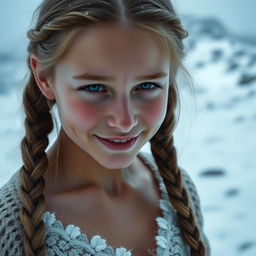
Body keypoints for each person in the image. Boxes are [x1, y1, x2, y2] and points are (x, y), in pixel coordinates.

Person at [0, 0, 211, 255]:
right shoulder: (10, 227)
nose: (125, 122)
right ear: (44, 78)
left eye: (146, 86)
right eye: (95, 88)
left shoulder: (179, 191)